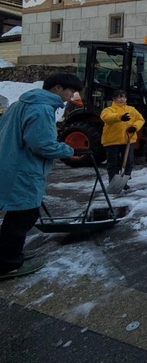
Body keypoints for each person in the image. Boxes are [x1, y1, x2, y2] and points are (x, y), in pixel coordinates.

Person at [0, 72, 83, 280]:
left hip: (11, 163)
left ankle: (9, 253)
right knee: (23, 215)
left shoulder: (21, 103)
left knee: (18, 213)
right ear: (57, 88)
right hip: (23, 169)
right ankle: (7, 263)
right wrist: (69, 150)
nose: (72, 95)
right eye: (70, 90)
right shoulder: (42, 108)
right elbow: (41, 144)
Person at [100, 90, 145, 190]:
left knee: (128, 162)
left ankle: (124, 182)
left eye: (124, 97)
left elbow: (140, 119)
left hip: (128, 141)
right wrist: (120, 117)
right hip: (112, 141)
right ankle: (113, 183)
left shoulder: (131, 109)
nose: (122, 99)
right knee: (113, 162)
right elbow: (106, 118)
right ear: (114, 99)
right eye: (119, 97)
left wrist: (135, 127)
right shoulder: (109, 110)